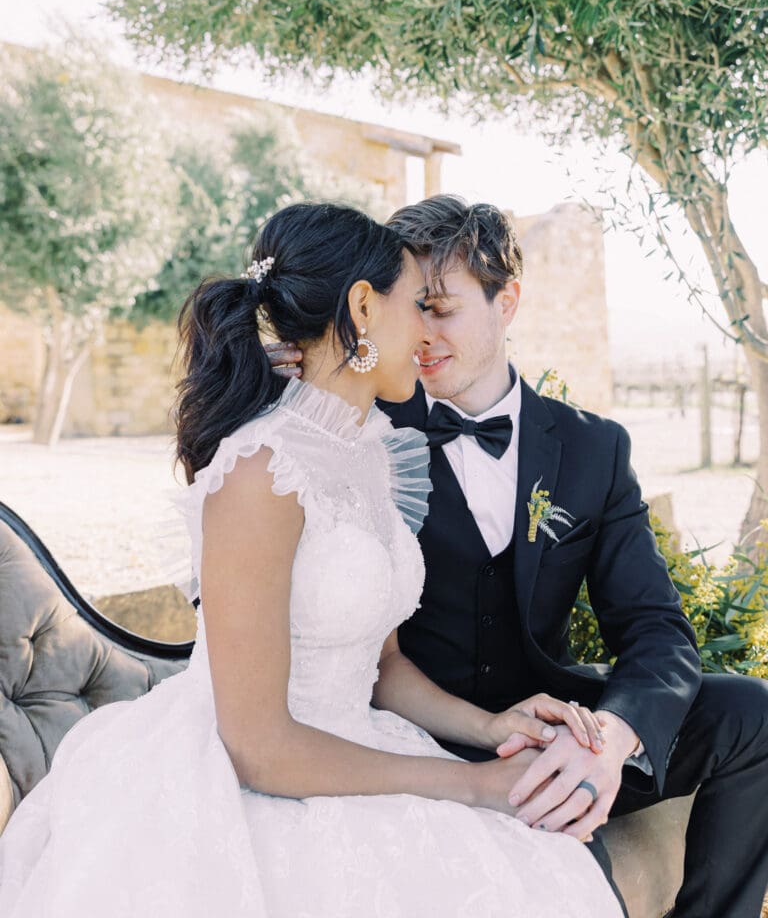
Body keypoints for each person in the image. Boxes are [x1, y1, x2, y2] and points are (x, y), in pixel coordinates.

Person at [0, 202, 624, 917]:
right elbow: (259, 748)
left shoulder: (375, 456)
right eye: (417, 305)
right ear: (363, 307)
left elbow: (382, 668)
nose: (426, 331)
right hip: (245, 777)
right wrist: (473, 785)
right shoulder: (260, 474)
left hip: (361, 738)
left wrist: (490, 728)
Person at [271, 195, 768, 918]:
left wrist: (609, 743)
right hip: (418, 732)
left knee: (753, 710)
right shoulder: (361, 422)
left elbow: (657, 631)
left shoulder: (594, 449)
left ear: (508, 302)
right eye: (411, 307)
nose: (421, 333)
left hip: (554, 724)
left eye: (439, 308)